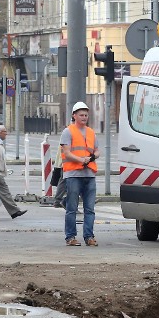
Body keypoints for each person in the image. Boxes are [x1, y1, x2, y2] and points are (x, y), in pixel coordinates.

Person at [60, 101, 99, 246]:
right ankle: (70, 237)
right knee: (72, 208)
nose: (84, 117)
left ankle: (89, 237)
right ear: (74, 116)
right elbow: (67, 153)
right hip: (74, 175)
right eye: (81, 115)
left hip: (89, 174)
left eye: (86, 115)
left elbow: (97, 150)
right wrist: (82, 160)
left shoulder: (90, 132)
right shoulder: (68, 131)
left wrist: (93, 157)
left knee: (90, 209)